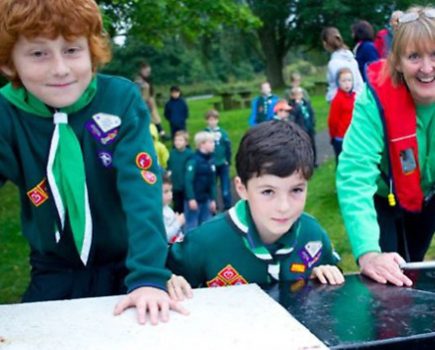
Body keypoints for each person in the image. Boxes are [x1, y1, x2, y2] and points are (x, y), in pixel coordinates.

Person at [0, 0, 187, 324]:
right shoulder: (6, 113)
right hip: (53, 266)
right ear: (8, 63)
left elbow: (141, 190)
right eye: (38, 53)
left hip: (127, 262)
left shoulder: (120, 99)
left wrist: (148, 276)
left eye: (72, 50)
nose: (60, 68)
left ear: (92, 50)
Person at [167, 120, 344, 288]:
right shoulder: (204, 241)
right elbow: (159, 275)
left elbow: (335, 273)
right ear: (242, 188)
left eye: (296, 190)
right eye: (268, 192)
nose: (284, 207)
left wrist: (325, 274)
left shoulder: (312, 233)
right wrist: (166, 281)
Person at [336, 6, 435, 288]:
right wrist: (369, 252)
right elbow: (355, 174)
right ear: (398, 62)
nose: (427, 68)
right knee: (386, 279)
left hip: (429, 196)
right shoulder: (373, 101)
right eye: (415, 56)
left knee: (413, 265)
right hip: (384, 197)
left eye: (434, 55)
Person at [184, 131, 217, 231]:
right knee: (191, 226)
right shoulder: (193, 161)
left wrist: (213, 199)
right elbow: (188, 181)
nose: (213, 145)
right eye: (211, 142)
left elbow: (212, 182)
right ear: (202, 144)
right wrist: (191, 198)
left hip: (205, 199)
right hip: (194, 199)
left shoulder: (211, 160)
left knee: (207, 225)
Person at [321, 27, 364, 102]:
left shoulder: (333, 63)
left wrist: (329, 96)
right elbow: (359, 83)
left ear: (325, 43)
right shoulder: (352, 59)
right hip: (358, 100)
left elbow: (338, 87)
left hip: (343, 104)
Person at [204, 109, 232, 211]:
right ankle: (213, 206)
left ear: (217, 120)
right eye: (210, 120)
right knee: (212, 185)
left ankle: (228, 206)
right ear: (206, 121)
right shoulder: (204, 133)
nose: (212, 122)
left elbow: (228, 147)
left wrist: (228, 160)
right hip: (210, 164)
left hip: (223, 163)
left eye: (214, 119)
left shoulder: (223, 133)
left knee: (225, 187)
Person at [327, 67, 356, 164]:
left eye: (349, 80)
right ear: (338, 82)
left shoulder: (354, 97)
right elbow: (332, 120)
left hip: (353, 135)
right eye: (343, 81)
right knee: (343, 162)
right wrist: (333, 136)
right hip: (341, 137)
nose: (347, 83)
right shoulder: (338, 99)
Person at [135, 61, 168, 140]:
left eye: (149, 72)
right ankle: (154, 135)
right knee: (148, 120)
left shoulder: (146, 80)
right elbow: (138, 96)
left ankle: (161, 133)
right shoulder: (138, 82)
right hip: (144, 103)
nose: (148, 73)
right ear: (141, 70)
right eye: (147, 71)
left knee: (155, 118)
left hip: (150, 101)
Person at [289, 87, 317, 167]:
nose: (299, 96)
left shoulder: (306, 103)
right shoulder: (292, 106)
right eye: (297, 94)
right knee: (303, 146)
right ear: (293, 96)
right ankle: (305, 163)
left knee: (312, 145)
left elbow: (311, 112)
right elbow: (293, 115)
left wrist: (313, 122)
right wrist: (297, 105)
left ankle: (314, 162)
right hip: (301, 128)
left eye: (300, 94)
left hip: (309, 127)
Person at [167, 130, 193, 214]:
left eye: (180, 140)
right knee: (176, 206)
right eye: (176, 140)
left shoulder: (189, 154)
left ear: (186, 142)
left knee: (185, 207)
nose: (177, 142)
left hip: (184, 186)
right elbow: (169, 166)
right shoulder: (172, 153)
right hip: (175, 185)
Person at [162, 173, 185, 244]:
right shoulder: (158, 212)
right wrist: (178, 223)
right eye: (166, 191)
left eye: (171, 190)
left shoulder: (168, 208)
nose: (170, 194)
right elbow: (165, 236)